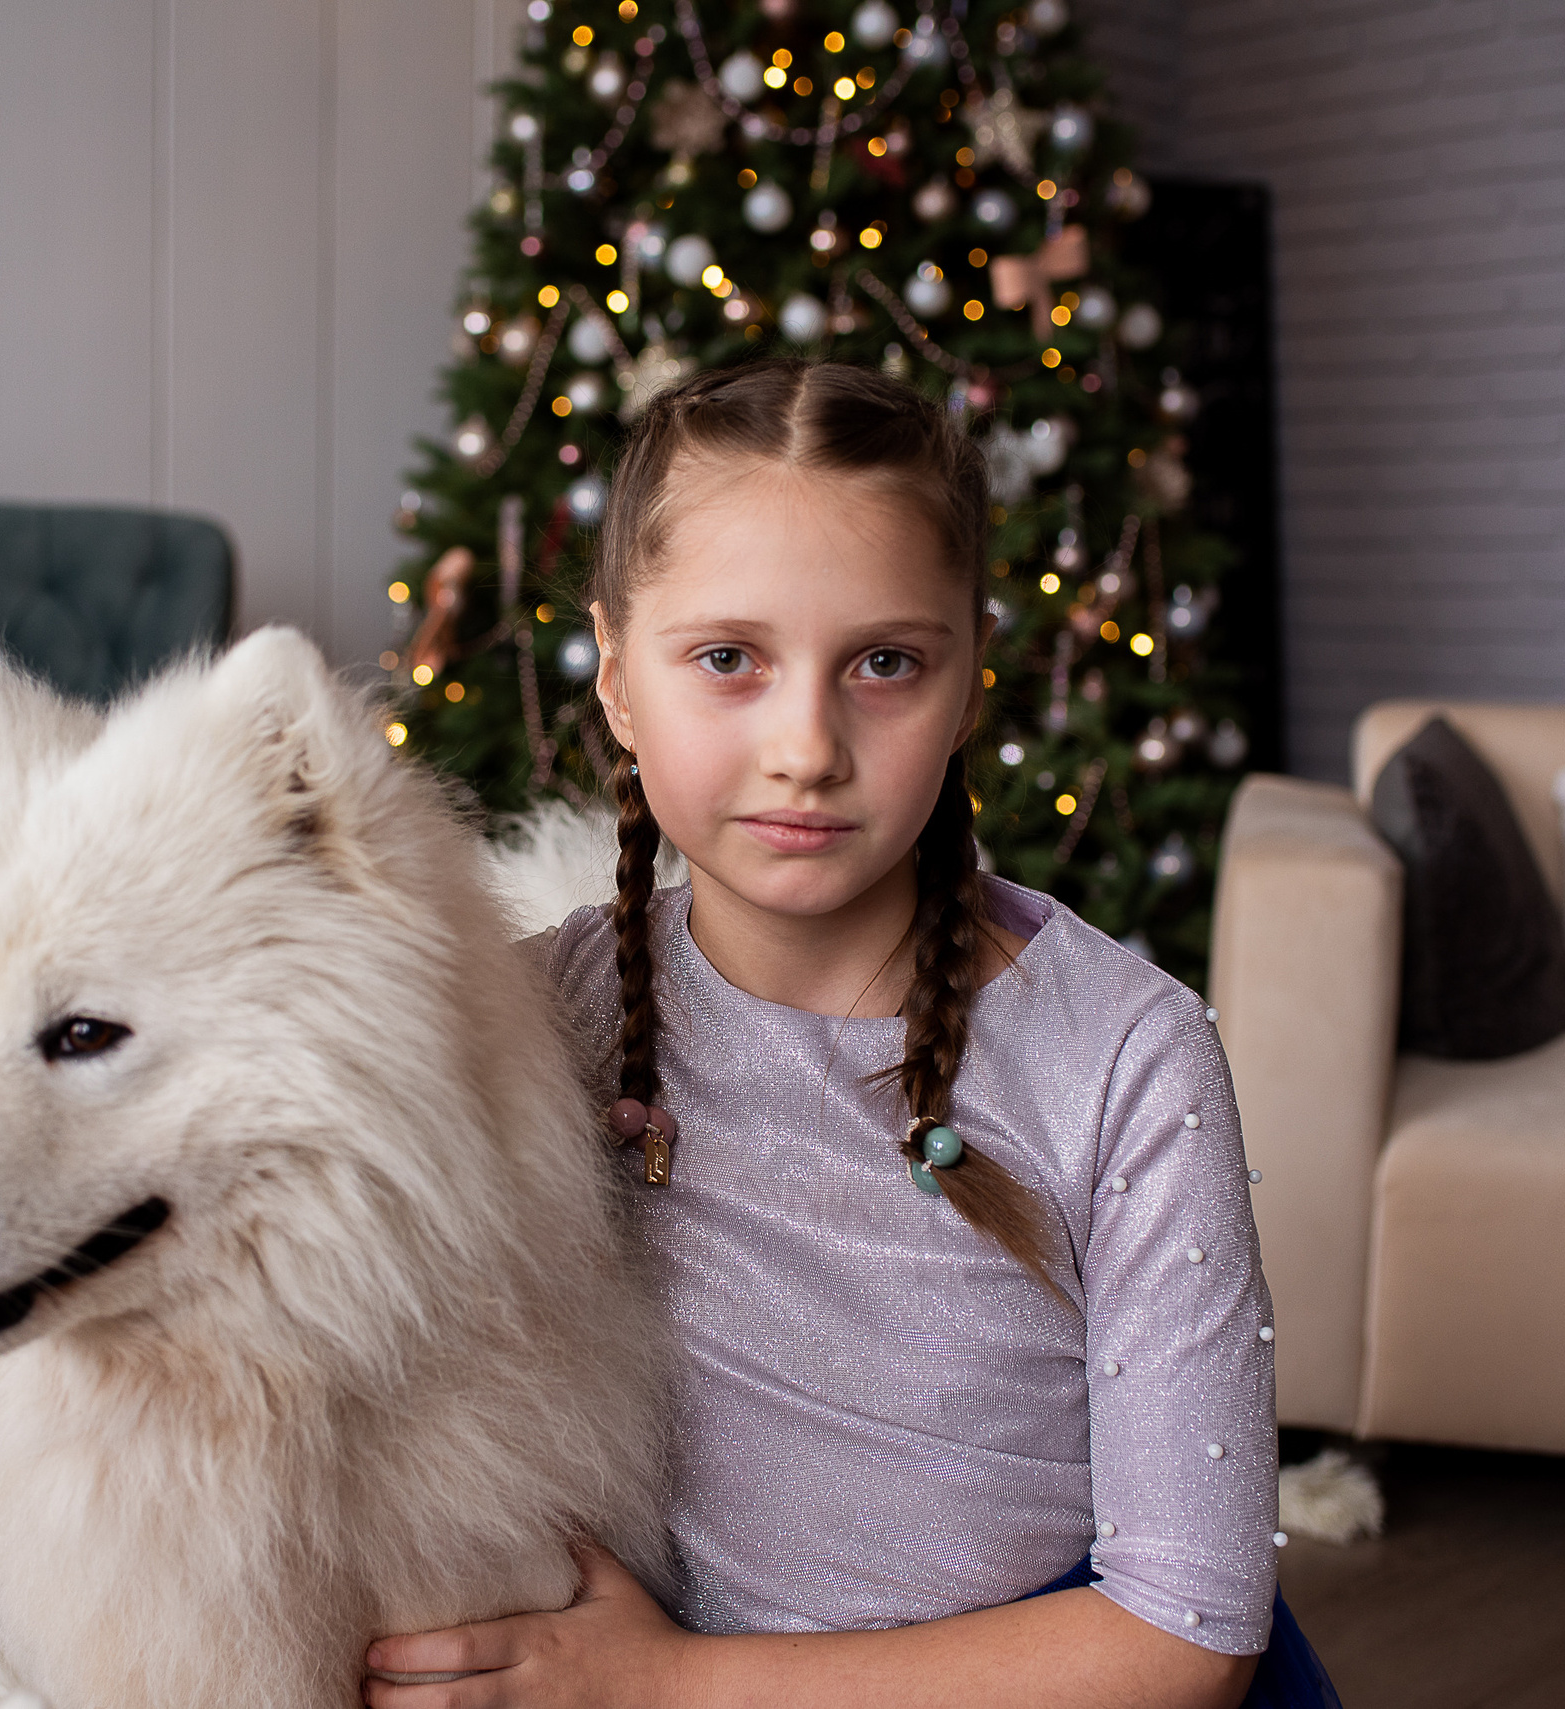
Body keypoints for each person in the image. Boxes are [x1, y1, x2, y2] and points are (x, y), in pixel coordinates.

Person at [364, 360, 1339, 1709]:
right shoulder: (537, 1022)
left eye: (885, 662)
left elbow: (1188, 1632)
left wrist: (672, 1685)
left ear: (970, 676)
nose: (807, 743)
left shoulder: (1129, 1055)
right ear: (616, 678)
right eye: (727, 660)